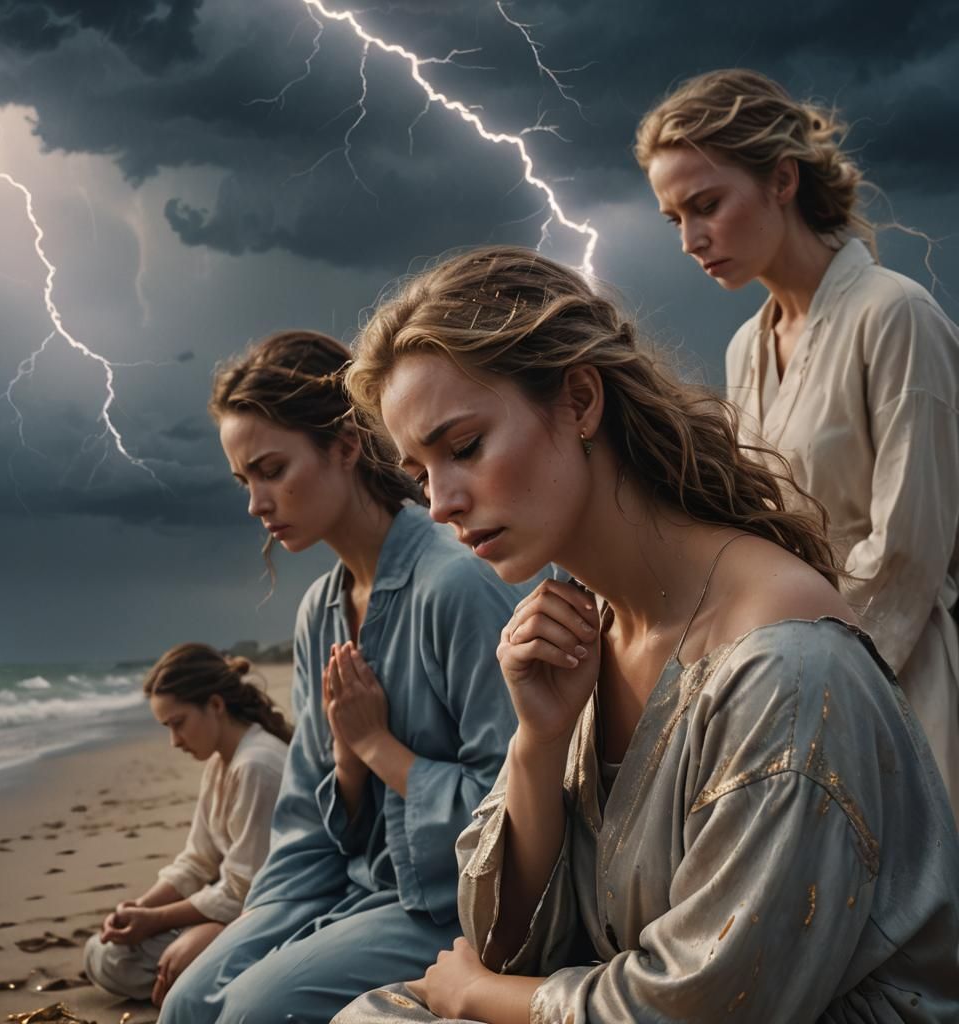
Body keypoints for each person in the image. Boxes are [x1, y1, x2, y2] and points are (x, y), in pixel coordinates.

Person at [331, 245, 959, 1023]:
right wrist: (539, 742)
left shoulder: (785, 667)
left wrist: (476, 994)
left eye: (463, 448)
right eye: (420, 474)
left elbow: (709, 1006)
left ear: (580, 401)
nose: (442, 503)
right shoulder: (590, 633)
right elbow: (510, 941)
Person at [158, 330, 534, 1024]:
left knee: (249, 1014)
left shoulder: (457, 584)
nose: (256, 504)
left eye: (272, 470)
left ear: (346, 446)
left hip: (453, 906)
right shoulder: (319, 612)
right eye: (244, 481)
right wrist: (253, 924)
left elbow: (515, 813)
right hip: (345, 888)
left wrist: (377, 748)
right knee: (190, 1003)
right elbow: (305, 822)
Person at [636, 68, 959, 818]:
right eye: (674, 219)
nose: (690, 240)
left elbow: (908, 550)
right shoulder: (746, 347)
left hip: (901, 676)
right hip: (789, 681)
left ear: (782, 180)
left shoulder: (896, 315)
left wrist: (815, 673)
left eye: (706, 206)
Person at [83, 642, 291, 1007]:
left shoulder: (257, 766)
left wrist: (163, 921)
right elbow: (197, 860)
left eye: (178, 724)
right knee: (102, 951)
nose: (174, 741)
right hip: (235, 910)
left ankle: (216, 977)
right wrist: (140, 909)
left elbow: (246, 891)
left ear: (215, 705)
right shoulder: (221, 762)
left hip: (273, 920)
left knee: (115, 961)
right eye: (167, 727)